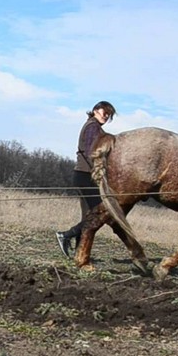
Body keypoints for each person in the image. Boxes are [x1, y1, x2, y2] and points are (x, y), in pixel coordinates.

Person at [55, 101, 116, 258]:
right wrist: (102, 170)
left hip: (84, 175)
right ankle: (66, 235)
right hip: (85, 176)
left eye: (109, 114)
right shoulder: (92, 127)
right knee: (100, 213)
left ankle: (78, 251)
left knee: (89, 215)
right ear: (95, 110)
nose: (106, 115)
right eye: (105, 112)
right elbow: (91, 152)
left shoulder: (94, 127)